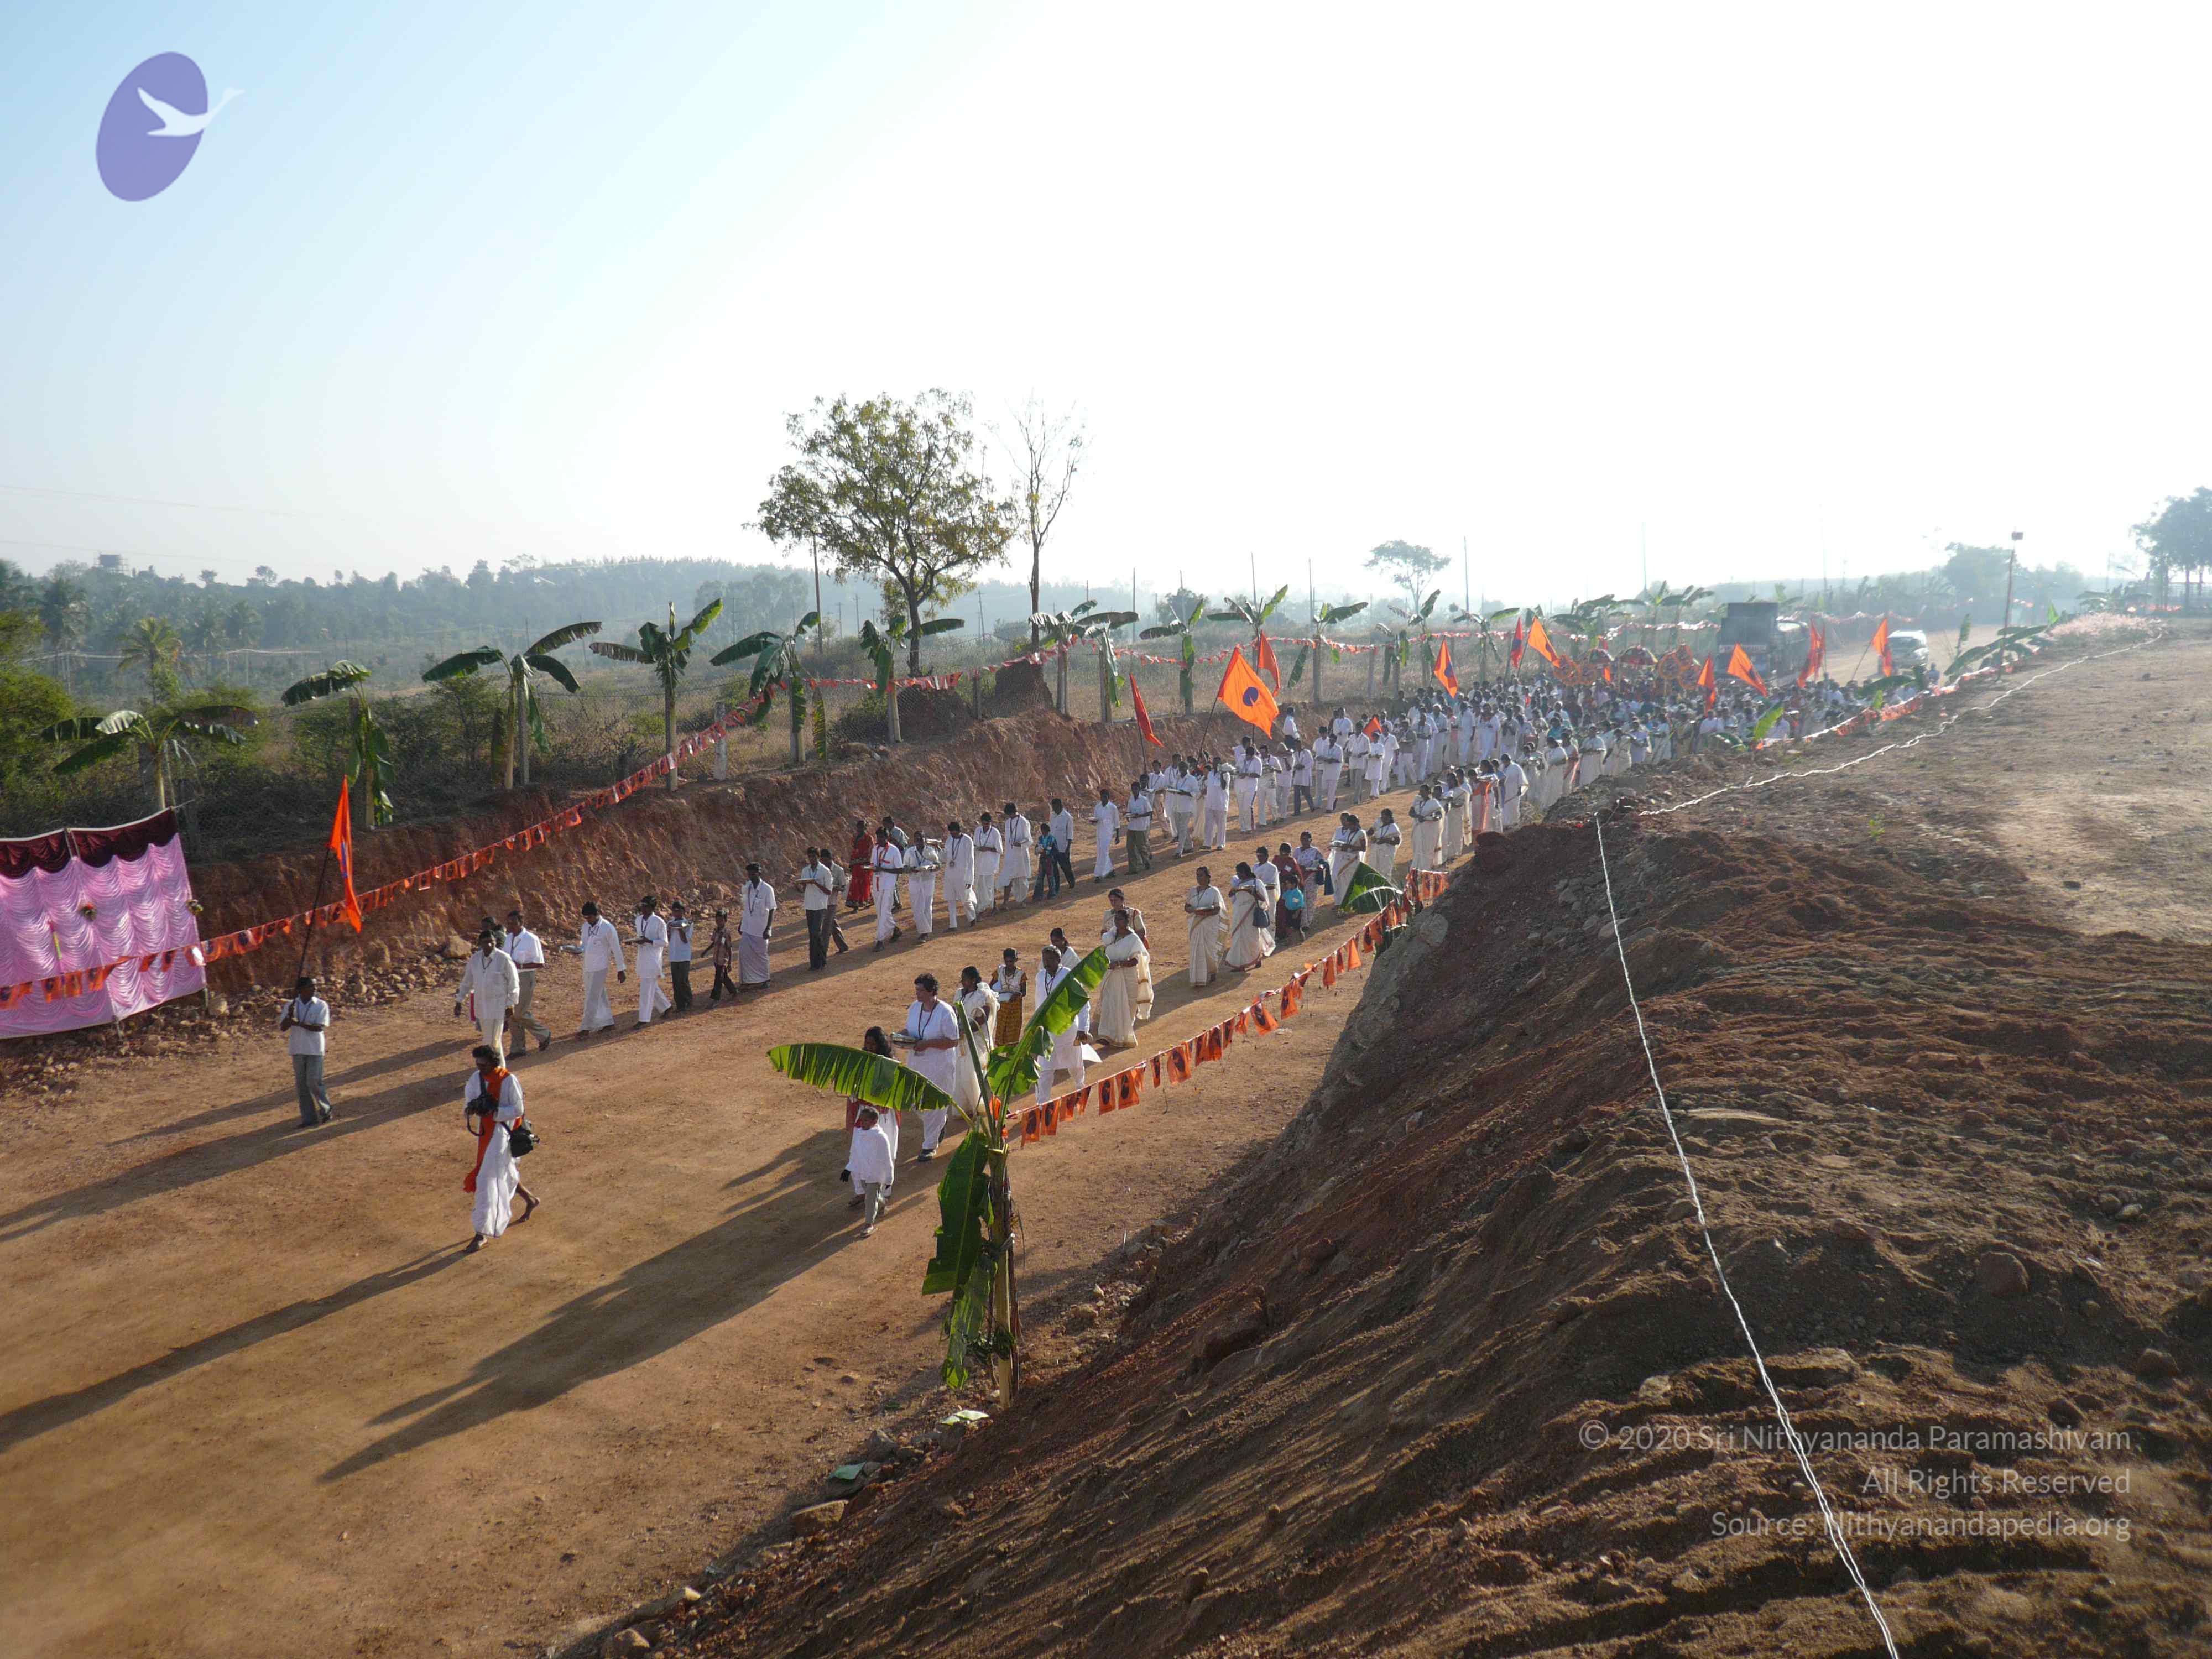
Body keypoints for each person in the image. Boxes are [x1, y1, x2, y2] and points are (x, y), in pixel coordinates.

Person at [461, 1044, 536, 1251]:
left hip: (502, 1135)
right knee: (501, 1172)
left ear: (494, 1063)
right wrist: (472, 1108)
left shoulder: (509, 1081)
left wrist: (495, 1112)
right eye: (478, 1064)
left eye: (483, 1065)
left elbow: (518, 1109)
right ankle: (530, 1199)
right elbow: (468, 1102)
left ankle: (481, 1234)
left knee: (486, 1180)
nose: (480, 1068)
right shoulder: (476, 1078)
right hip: (486, 1134)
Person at [897, 973, 963, 1162]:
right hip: (917, 1064)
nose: (917, 994)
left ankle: (929, 1146)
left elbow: (953, 1041)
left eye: (920, 990)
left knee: (934, 1105)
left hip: (940, 1067)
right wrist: (899, 1037)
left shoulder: (945, 1012)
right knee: (916, 1104)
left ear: (932, 991)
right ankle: (941, 1123)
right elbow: (909, 1030)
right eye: (916, 990)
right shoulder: (915, 1008)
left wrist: (927, 1044)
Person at [841, 1026, 899, 1186]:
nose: (870, 1047)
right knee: (859, 1151)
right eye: (867, 1044)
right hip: (864, 1113)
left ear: (881, 1045)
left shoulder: (891, 1065)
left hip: (885, 1115)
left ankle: (883, 1191)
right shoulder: (861, 1062)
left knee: (885, 1153)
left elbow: (896, 1091)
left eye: (873, 1044)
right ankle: (861, 1191)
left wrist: (883, 1101)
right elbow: (853, 1089)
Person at [454, 928, 520, 1061]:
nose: (489, 945)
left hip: (498, 1007)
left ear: (496, 942)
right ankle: (495, 1068)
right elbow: (467, 982)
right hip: (482, 1007)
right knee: (490, 1040)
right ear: (480, 943)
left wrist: (511, 1004)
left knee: (492, 1040)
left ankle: (495, 1068)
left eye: (492, 942)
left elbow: (514, 983)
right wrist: (459, 1001)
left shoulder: (503, 959)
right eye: (486, 942)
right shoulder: (475, 960)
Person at [279, 974, 334, 1126]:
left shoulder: (321, 1005)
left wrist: (298, 1023)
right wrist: (289, 1018)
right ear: (301, 990)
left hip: (315, 1049)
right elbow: (283, 1028)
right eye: (311, 986)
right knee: (302, 1086)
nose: (315, 989)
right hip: (297, 1048)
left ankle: (326, 1109)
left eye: (315, 986)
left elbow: (319, 1027)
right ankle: (309, 1118)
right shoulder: (291, 1005)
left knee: (314, 1081)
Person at [1095, 907, 1150, 1046]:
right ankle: (1107, 1035)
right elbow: (1105, 949)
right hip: (1111, 975)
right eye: (1116, 919)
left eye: (1120, 919)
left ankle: (1123, 1037)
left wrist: (1119, 964)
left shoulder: (1133, 939)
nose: (1117, 922)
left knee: (1126, 1007)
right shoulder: (1112, 934)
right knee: (1108, 1004)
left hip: (1127, 977)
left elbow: (1136, 961)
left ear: (1127, 922)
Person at [503, 909, 552, 1052]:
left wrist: (521, 966)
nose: (510, 926)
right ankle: (518, 1049)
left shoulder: (531, 939)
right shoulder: (508, 938)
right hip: (510, 978)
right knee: (511, 1013)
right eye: (509, 923)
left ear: (521, 923)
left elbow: (540, 963)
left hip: (525, 977)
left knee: (520, 1013)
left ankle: (544, 1034)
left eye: (513, 923)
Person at [576, 901, 626, 1037]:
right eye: (586, 918)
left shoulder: (607, 928)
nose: (588, 920)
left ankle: (586, 1028)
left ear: (598, 914)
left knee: (592, 998)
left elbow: (616, 949)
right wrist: (577, 949)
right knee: (599, 995)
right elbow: (584, 945)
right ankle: (608, 1022)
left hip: (600, 967)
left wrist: (621, 969)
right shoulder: (586, 926)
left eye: (590, 917)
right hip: (588, 966)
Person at [953, 966, 997, 1118]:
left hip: (975, 1040)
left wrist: (965, 1029)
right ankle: (965, 1107)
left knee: (971, 1074)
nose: (963, 982)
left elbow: (982, 1018)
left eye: (965, 979)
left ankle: (979, 1106)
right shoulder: (959, 994)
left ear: (973, 980)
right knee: (960, 1073)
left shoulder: (983, 995)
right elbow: (955, 1013)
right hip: (961, 1039)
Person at [845, 1107, 896, 1236]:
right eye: (861, 1120)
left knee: (870, 1200)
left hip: (876, 1174)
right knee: (872, 1195)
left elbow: (887, 1159)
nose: (862, 1123)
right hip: (864, 1173)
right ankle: (883, 1205)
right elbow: (855, 1153)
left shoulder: (881, 1137)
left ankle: (869, 1225)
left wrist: (889, 1178)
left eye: (866, 1121)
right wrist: (849, 1169)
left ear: (874, 1122)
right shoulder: (859, 1135)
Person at [1225, 861, 1275, 970]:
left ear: (1245, 872)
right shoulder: (1239, 884)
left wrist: (1251, 892)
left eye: (1239, 873)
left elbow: (1263, 900)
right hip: (1239, 914)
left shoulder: (1257, 882)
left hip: (1250, 915)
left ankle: (1256, 959)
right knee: (1239, 939)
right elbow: (1231, 896)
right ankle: (1241, 964)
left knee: (1252, 939)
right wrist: (1234, 891)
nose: (1238, 875)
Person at [632, 896, 674, 1025]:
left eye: (646, 907)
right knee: (651, 987)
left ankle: (643, 1019)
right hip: (642, 957)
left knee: (646, 990)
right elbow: (640, 936)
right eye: (642, 906)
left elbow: (664, 942)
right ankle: (666, 1006)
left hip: (653, 959)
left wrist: (649, 941)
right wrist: (636, 941)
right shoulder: (638, 920)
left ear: (652, 908)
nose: (643, 909)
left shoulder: (659, 922)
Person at [1185, 867, 1225, 988]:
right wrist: (1194, 910)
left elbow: (1217, 909)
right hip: (1196, 923)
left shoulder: (1214, 891)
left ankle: (1212, 972)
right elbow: (1186, 907)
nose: (1199, 878)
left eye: (1201, 875)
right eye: (1197, 875)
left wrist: (1205, 914)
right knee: (1197, 950)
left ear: (1208, 877)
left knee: (1209, 950)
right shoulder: (1193, 891)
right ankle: (1198, 977)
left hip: (1209, 924)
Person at [799, 848, 838, 971]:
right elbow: (804, 889)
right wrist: (804, 884)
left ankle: (822, 960)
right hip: (809, 905)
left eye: (814, 857)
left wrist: (815, 883)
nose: (811, 859)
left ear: (818, 857)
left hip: (820, 905)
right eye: (810, 857)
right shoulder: (805, 871)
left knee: (816, 932)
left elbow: (829, 891)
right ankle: (814, 964)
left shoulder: (825, 871)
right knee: (812, 934)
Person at [738, 863, 776, 988]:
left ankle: (765, 979)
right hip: (748, 927)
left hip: (761, 928)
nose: (751, 877)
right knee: (744, 954)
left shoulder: (767, 889)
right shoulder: (748, 887)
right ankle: (747, 981)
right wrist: (741, 923)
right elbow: (746, 907)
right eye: (749, 874)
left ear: (759, 874)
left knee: (761, 955)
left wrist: (768, 928)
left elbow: (772, 909)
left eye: (753, 874)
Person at [871, 828, 905, 950]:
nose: (879, 840)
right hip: (877, 884)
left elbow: (900, 869)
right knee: (882, 912)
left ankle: (879, 940)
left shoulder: (893, 850)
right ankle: (895, 930)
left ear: (887, 837)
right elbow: (873, 865)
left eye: (882, 837)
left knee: (883, 912)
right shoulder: (875, 849)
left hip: (889, 885)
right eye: (878, 837)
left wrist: (884, 869)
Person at [942, 820, 977, 928]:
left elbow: (971, 861)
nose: (952, 835)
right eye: (951, 833)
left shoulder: (967, 840)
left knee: (965, 899)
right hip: (950, 874)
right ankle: (953, 925)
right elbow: (944, 857)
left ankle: (972, 918)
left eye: (954, 833)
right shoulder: (949, 840)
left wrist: (970, 880)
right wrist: (939, 849)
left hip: (963, 876)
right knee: (950, 900)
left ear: (959, 831)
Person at [990, 948, 1027, 1045]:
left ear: (1016, 960)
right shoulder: (999, 971)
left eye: (1011, 961)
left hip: (1015, 1007)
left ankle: (1011, 1051)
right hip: (1002, 1006)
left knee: (1013, 1031)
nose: (1009, 964)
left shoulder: (1021, 974)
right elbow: (991, 986)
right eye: (1007, 961)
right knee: (1001, 1029)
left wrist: (1017, 994)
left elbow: (1024, 992)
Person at [1000, 804, 1034, 906]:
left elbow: (1029, 840)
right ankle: (1005, 902)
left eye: (1011, 814)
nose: (1011, 816)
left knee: (1021, 879)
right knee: (1007, 878)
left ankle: (1022, 901)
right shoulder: (1008, 822)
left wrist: (1020, 844)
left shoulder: (1024, 822)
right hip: (1010, 855)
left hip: (1021, 855)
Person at [907, 835, 940, 939]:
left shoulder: (931, 851)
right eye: (916, 840)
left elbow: (938, 865)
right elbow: (904, 867)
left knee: (927, 906)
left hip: (928, 881)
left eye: (921, 839)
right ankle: (924, 930)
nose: (919, 842)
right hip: (915, 881)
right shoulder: (910, 852)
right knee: (916, 908)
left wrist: (932, 868)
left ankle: (924, 933)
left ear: (924, 840)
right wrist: (911, 869)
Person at [667, 899, 696, 1012]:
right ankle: (680, 1004)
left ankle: (688, 1001)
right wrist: (670, 930)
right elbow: (667, 940)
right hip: (674, 956)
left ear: (683, 911)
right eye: (674, 911)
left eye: (678, 911)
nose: (676, 913)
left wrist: (679, 929)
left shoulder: (688, 923)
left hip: (684, 956)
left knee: (683, 980)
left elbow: (685, 940)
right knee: (676, 981)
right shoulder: (670, 923)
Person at [1328, 813, 1367, 895]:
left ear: (1355, 824)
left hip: (1354, 860)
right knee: (1341, 879)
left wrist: (1350, 847)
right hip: (1345, 858)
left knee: (1350, 880)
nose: (1349, 827)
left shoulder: (1361, 833)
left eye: (1350, 825)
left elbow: (1363, 848)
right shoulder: (1349, 831)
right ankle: (1341, 898)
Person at [972, 812, 1002, 917]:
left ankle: (988, 907)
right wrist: (978, 848)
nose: (985, 826)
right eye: (984, 824)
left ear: (990, 823)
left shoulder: (995, 833)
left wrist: (988, 849)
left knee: (989, 887)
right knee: (980, 887)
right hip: (980, 863)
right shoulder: (978, 831)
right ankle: (984, 907)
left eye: (987, 824)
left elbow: (999, 850)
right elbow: (974, 845)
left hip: (990, 864)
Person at [1046, 797, 1079, 894]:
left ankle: (1071, 882)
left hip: (1063, 847)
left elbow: (1070, 835)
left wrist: (1068, 848)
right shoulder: (1052, 816)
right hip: (1053, 847)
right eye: (1053, 808)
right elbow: (1051, 831)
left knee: (1066, 867)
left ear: (1060, 806)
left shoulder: (1068, 817)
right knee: (1054, 869)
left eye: (1055, 807)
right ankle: (1056, 887)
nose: (1054, 810)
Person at [1408, 786, 1444, 873]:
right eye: (1421, 792)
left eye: (1423, 792)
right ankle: (1417, 869)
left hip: (1429, 831)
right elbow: (1411, 813)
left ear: (1428, 792)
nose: (1421, 794)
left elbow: (1439, 815)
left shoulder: (1434, 802)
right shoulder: (1418, 803)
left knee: (1428, 850)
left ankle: (1426, 869)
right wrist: (1418, 816)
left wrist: (1430, 818)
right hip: (1419, 830)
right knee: (1418, 849)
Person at [846, 819, 875, 913]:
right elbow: (853, 851)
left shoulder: (869, 838)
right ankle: (856, 905)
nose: (860, 829)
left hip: (866, 865)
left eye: (862, 827)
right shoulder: (855, 838)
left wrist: (870, 865)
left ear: (865, 828)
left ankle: (867, 900)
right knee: (856, 884)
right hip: (856, 864)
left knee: (865, 883)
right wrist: (851, 863)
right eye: (859, 827)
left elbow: (872, 851)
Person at [1124, 779, 1154, 872]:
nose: (1134, 791)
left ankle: (1146, 862)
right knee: (1130, 848)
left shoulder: (1144, 800)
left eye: (1136, 789)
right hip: (1132, 826)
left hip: (1141, 827)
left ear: (1139, 789)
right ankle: (1133, 868)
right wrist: (1127, 815)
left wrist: (1140, 816)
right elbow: (1129, 811)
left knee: (1141, 847)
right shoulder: (1131, 800)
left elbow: (1150, 812)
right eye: (1132, 789)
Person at [707, 907, 737, 1000]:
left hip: (723, 961)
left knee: (718, 980)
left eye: (721, 920)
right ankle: (734, 990)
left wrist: (730, 963)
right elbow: (714, 943)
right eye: (717, 921)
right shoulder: (716, 930)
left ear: (725, 920)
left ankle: (716, 999)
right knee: (724, 977)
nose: (719, 922)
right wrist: (706, 951)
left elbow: (730, 948)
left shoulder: (726, 933)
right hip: (716, 959)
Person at [1091, 787, 1120, 881]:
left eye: (1105, 797)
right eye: (1102, 797)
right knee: (1101, 852)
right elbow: (1095, 819)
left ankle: (1099, 874)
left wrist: (1118, 836)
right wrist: (1093, 822)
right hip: (1099, 833)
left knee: (1104, 853)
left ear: (1108, 797)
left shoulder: (1113, 808)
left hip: (1108, 834)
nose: (1103, 799)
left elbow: (1117, 822)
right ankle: (1111, 870)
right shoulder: (1098, 807)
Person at [1369, 808, 1402, 881]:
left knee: (1385, 871)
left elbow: (1397, 841)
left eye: (1386, 818)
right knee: (1374, 869)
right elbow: (1370, 832)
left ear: (1390, 818)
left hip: (1387, 853)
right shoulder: (1379, 823)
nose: (1384, 820)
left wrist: (1385, 841)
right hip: (1376, 850)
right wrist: (1372, 838)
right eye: (1383, 818)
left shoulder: (1393, 827)